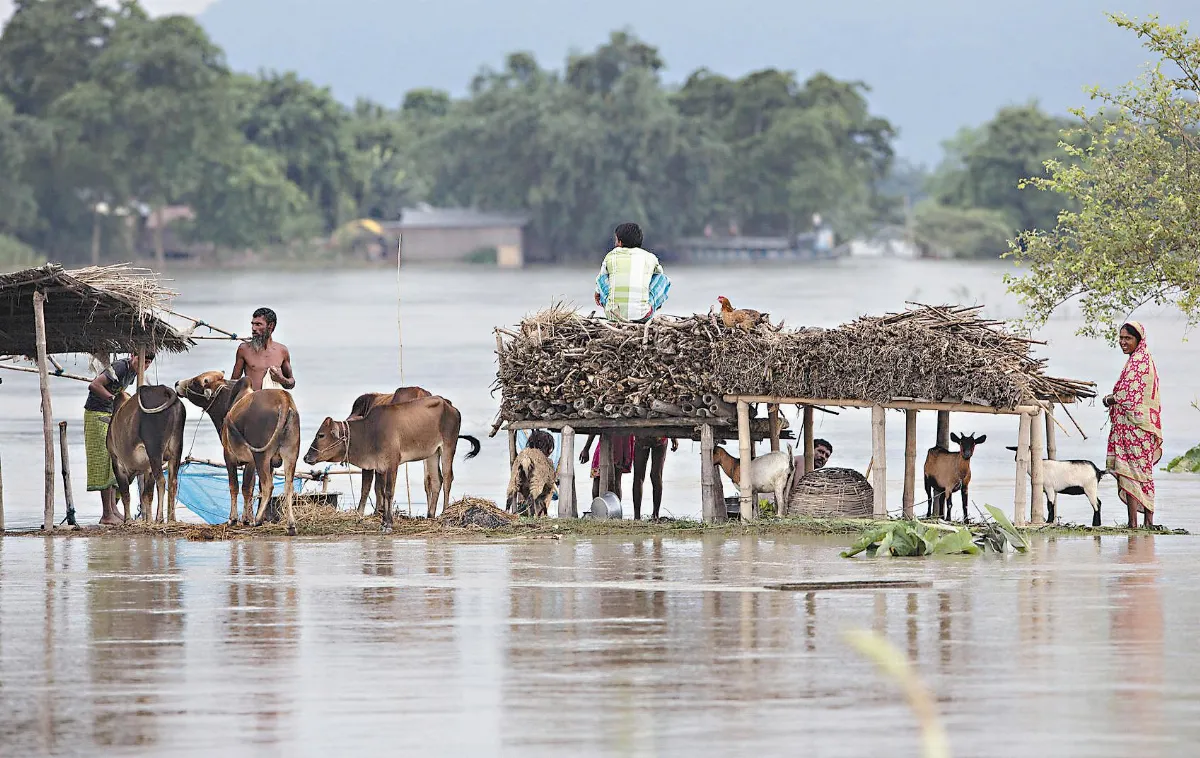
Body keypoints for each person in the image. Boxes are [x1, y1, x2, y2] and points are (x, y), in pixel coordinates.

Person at [1103, 321, 1163, 529]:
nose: (1122, 342)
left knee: (1133, 472)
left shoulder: (1139, 361)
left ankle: (1135, 523)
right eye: (1120, 338)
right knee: (1140, 473)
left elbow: (1128, 395)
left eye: (1127, 338)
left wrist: (1110, 399)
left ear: (1139, 339)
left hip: (1136, 428)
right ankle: (1144, 522)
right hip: (1136, 427)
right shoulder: (1141, 360)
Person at [84, 352, 154, 525]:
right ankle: (107, 513)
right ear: (132, 356)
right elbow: (94, 385)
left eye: (148, 363)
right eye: (141, 360)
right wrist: (113, 398)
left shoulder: (134, 372)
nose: (143, 366)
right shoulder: (121, 366)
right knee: (103, 460)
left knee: (115, 461)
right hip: (97, 413)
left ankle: (114, 510)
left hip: (111, 414)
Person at [594, 222, 671, 323]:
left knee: (602, 278)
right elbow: (659, 276)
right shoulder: (650, 257)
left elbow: (601, 279)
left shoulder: (611, 256)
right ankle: (648, 307)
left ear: (620, 243)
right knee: (664, 279)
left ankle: (613, 307)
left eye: (616, 240)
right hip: (643, 316)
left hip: (613, 315)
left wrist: (597, 293)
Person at [232, 307, 295, 391]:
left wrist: (281, 379)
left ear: (270, 326)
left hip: (274, 401)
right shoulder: (244, 349)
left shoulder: (282, 351)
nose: (253, 328)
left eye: (258, 324)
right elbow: (233, 382)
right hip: (252, 401)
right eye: (253, 324)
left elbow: (291, 383)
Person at [632, 435, 678, 520]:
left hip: (642, 435)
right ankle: (655, 515)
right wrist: (673, 437)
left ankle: (637, 516)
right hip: (660, 436)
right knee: (656, 475)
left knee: (639, 476)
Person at [579, 433, 636, 500]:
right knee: (615, 479)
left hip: (614, 437)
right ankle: (614, 508)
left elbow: (596, 425)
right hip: (622, 440)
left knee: (598, 476)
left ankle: (599, 507)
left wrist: (586, 448)